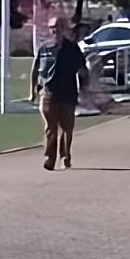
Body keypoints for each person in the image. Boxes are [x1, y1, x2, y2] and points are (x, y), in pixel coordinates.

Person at [30, 15, 88, 171]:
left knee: (66, 128)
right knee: (50, 126)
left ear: (63, 28)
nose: (54, 30)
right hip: (48, 93)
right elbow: (35, 70)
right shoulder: (44, 48)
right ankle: (50, 158)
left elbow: (82, 70)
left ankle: (65, 156)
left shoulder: (72, 49)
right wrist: (33, 91)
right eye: (51, 27)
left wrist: (84, 89)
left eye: (57, 27)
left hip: (68, 94)